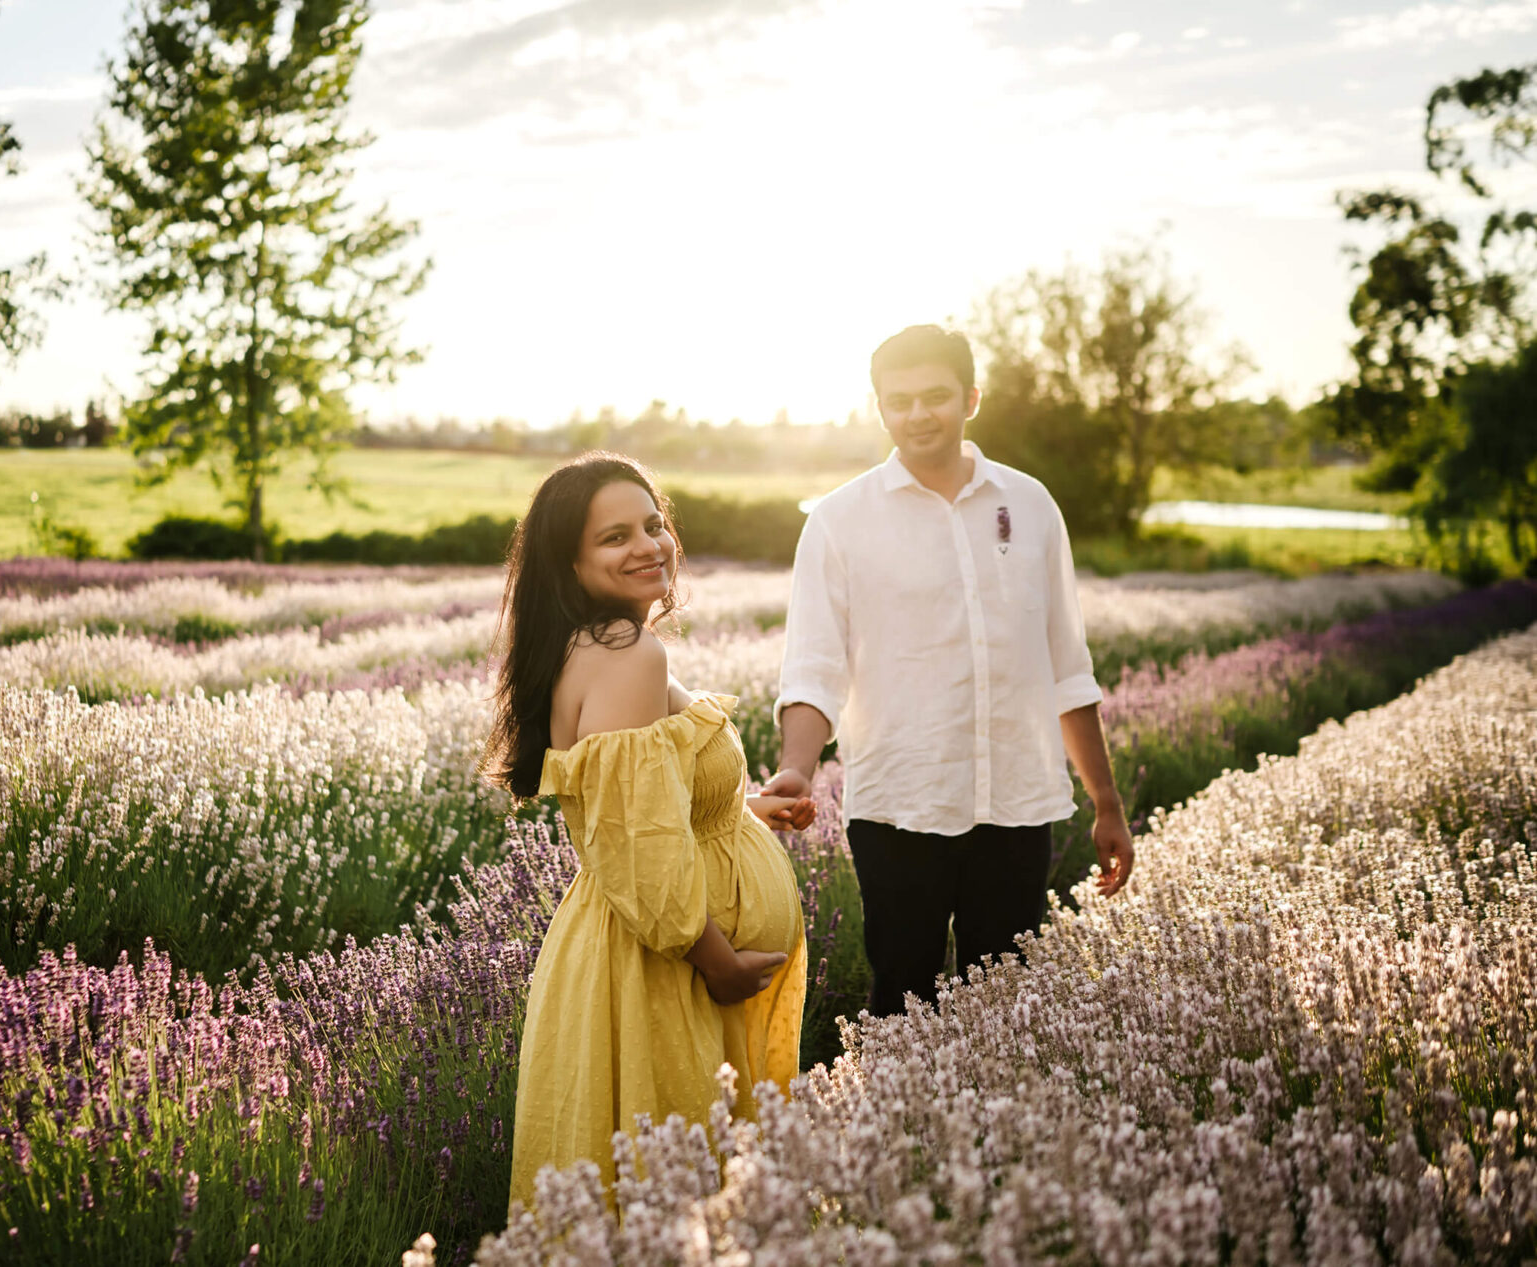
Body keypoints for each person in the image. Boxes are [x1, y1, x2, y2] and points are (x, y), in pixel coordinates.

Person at [763, 324, 1135, 1019]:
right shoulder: (840, 522)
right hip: (900, 805)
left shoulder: (1028, 506)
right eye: (897, 400)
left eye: (935, 395)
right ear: (879, 408)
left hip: (1018, 803)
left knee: (1009, 1009)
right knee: (903, 1001)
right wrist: (797, 767)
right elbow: (813, 667)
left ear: (970, 397)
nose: (916, 413)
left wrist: (1107, 801)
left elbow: (1067, 663)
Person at [481, 452, 811, 1213]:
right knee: (674, 1196)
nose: (649, 545)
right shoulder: (627, 653)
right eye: (615, 536)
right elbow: (636, 841)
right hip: (665, 973)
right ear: (570, 562)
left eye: (654, 524)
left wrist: (741, 811)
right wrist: (717, 959)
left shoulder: (594, 646)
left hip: (641, 953)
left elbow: (634, 805)